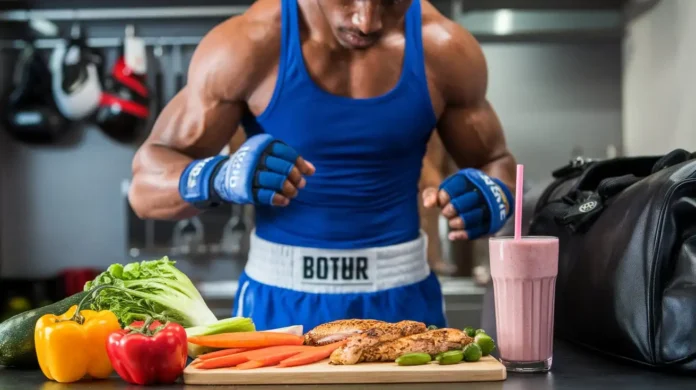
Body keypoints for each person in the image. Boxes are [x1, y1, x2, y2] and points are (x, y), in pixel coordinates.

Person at [128, 0, 517, 331]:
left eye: (389, 1)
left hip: (404, 303)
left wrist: (495, 197)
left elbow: (495, 162)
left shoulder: (443, 47)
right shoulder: (249, 44)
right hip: (280, 304)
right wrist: (218, 176)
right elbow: (145, 186)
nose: (368, 21)